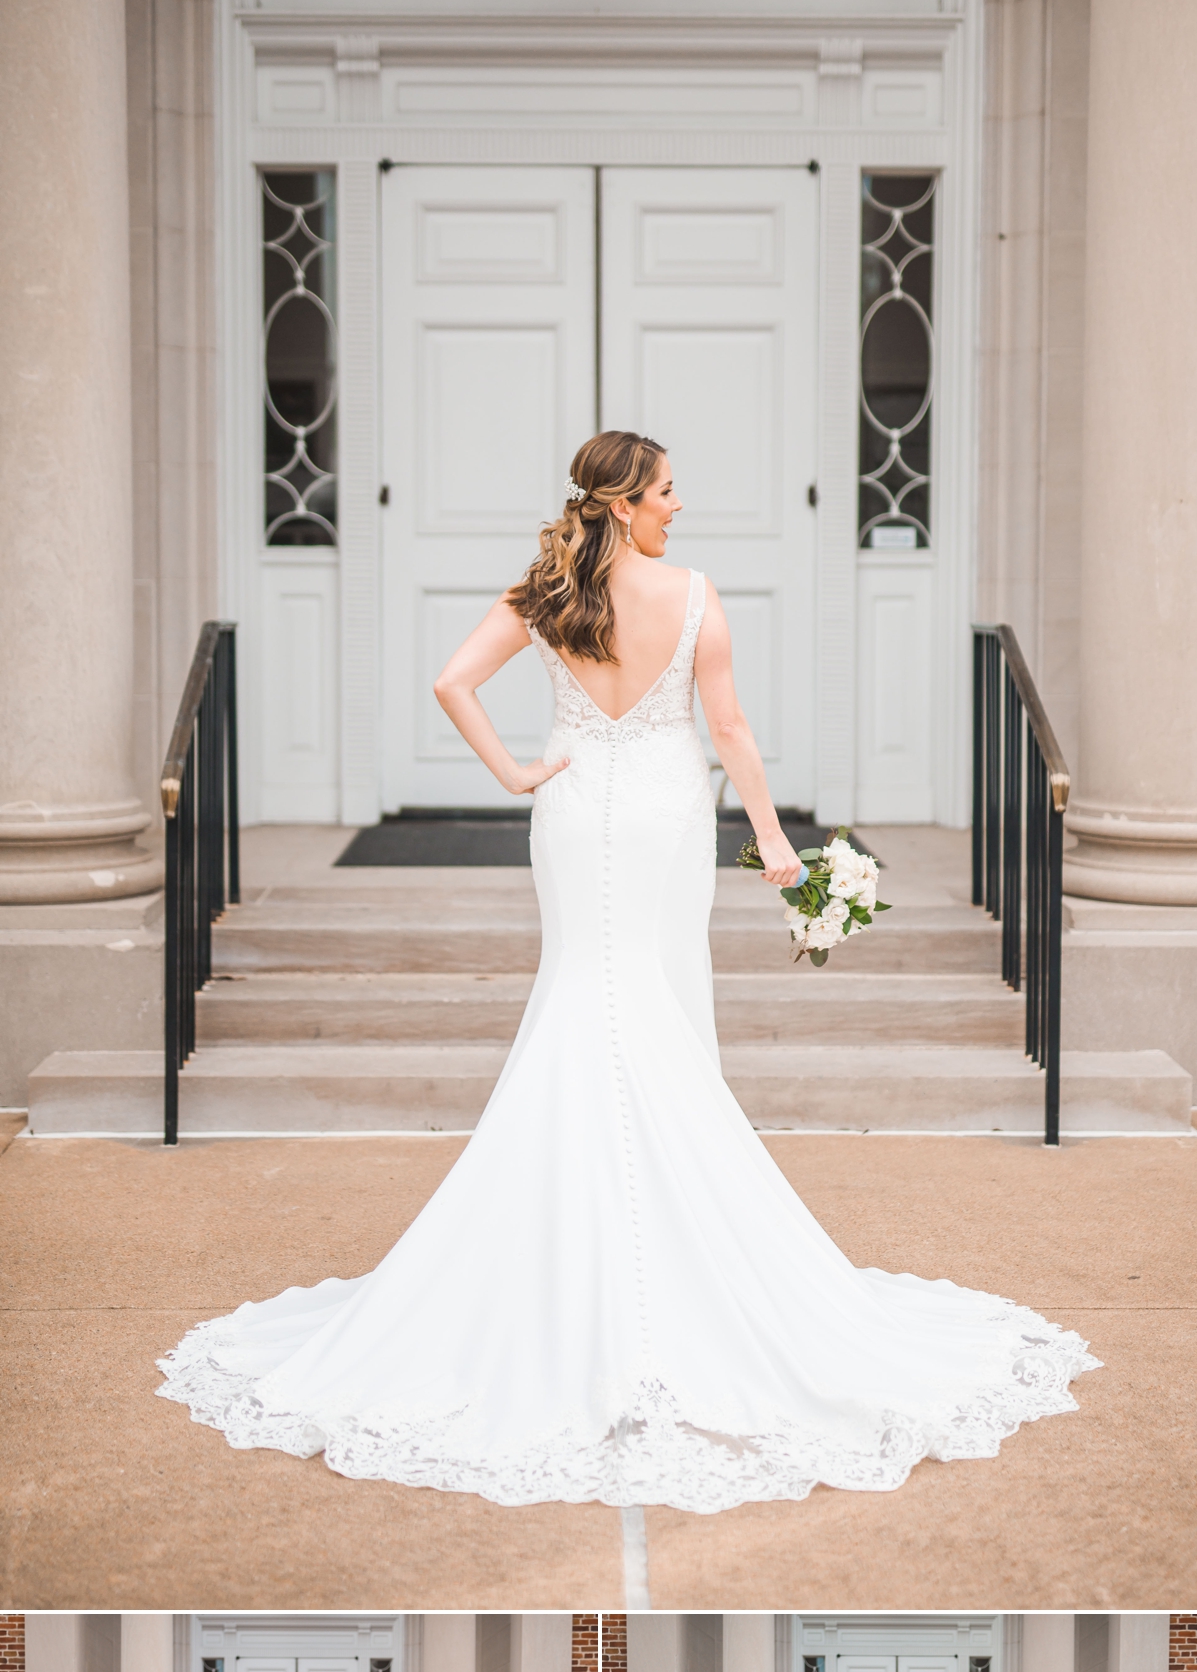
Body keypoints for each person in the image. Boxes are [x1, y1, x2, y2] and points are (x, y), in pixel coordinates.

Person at [157, 430, 1098, 1513]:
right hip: (659, 810)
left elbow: (451, 680)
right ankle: (663, 1244)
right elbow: (730, 728)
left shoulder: (547, 592)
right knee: (644, 998)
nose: (678, 503)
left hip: (569, 805)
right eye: (663, 489)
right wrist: (777, 843)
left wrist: (516, 769)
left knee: (583, 992)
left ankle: (578, 1252)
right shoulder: (694, 596)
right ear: (621, 502)